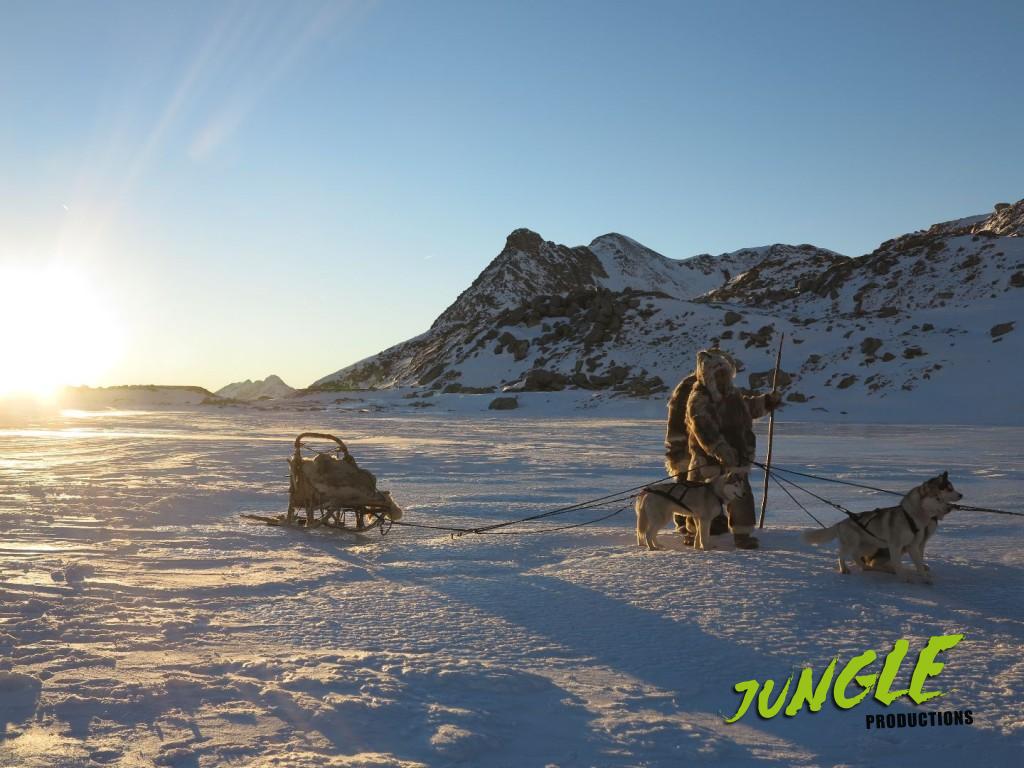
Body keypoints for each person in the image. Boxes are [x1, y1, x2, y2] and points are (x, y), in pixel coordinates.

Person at [664, 348, 782, 549]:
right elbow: (703, 428)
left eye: (725, 373)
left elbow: (748, 408)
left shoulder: (733, 395)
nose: (722, 377)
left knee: (740, 495)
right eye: (718, 374)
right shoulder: (699, 397)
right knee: (698, 497)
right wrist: (720, 449)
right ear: (708, 375)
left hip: (738, 457)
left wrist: (767, 402)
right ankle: (693, 533)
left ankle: (742, 535)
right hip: (706, 460)